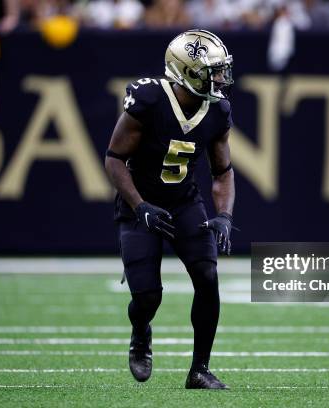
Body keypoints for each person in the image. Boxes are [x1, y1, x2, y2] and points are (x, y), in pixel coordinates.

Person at [105, 29, 235, 389]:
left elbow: (223, 171)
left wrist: (224, 214)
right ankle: (140, 331)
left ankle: (200, 370)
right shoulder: (149, 99)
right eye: (214, 70)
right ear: (188, 72)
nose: (221, 78)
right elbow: (115, 159)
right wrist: (140, 205)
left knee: (208, 278)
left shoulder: (218, 109)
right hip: (140, 203)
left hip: (183, 202)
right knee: (147, 297)